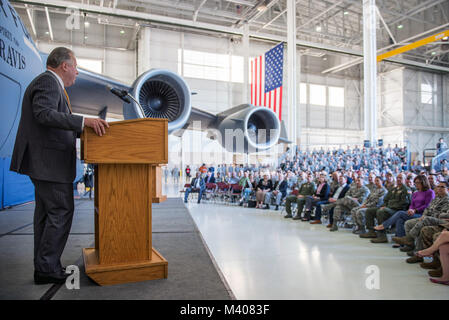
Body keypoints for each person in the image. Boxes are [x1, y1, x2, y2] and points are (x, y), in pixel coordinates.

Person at [9, 47, 109, 285]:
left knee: (46, 215)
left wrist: (80, 131)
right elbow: (44, 114)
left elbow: (50, 122)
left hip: (46, 163)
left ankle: (45, 266)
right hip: (48, 163)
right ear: (64, 65)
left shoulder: (52, 85)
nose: (76, 73)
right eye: (75, 67)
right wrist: (85, 122)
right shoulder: (48, 82)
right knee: (61, 211)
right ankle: (47, 268)